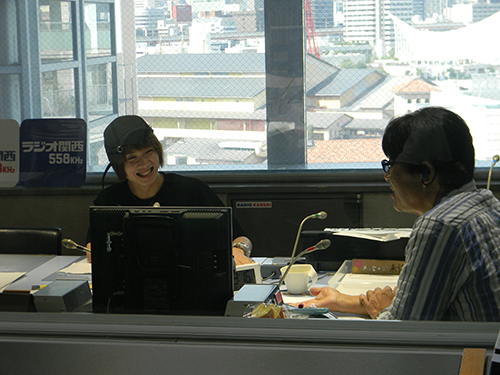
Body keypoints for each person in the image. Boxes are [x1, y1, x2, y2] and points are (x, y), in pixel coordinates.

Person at [294, 107, 500, 321]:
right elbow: (433, 308)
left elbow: (404, 331)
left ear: (426, 173)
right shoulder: (489, 206)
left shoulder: (440, 226)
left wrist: (382, 311)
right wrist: (343, 301)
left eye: (390, 165)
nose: (387, 176)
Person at [86, 115, 253, 265]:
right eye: (132, 158)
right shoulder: (109, 201)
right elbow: (92, 248)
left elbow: (240, 237)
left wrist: (238, 249)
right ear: (118, 166)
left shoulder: (193, 190)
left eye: (149, 152)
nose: (144, 164)